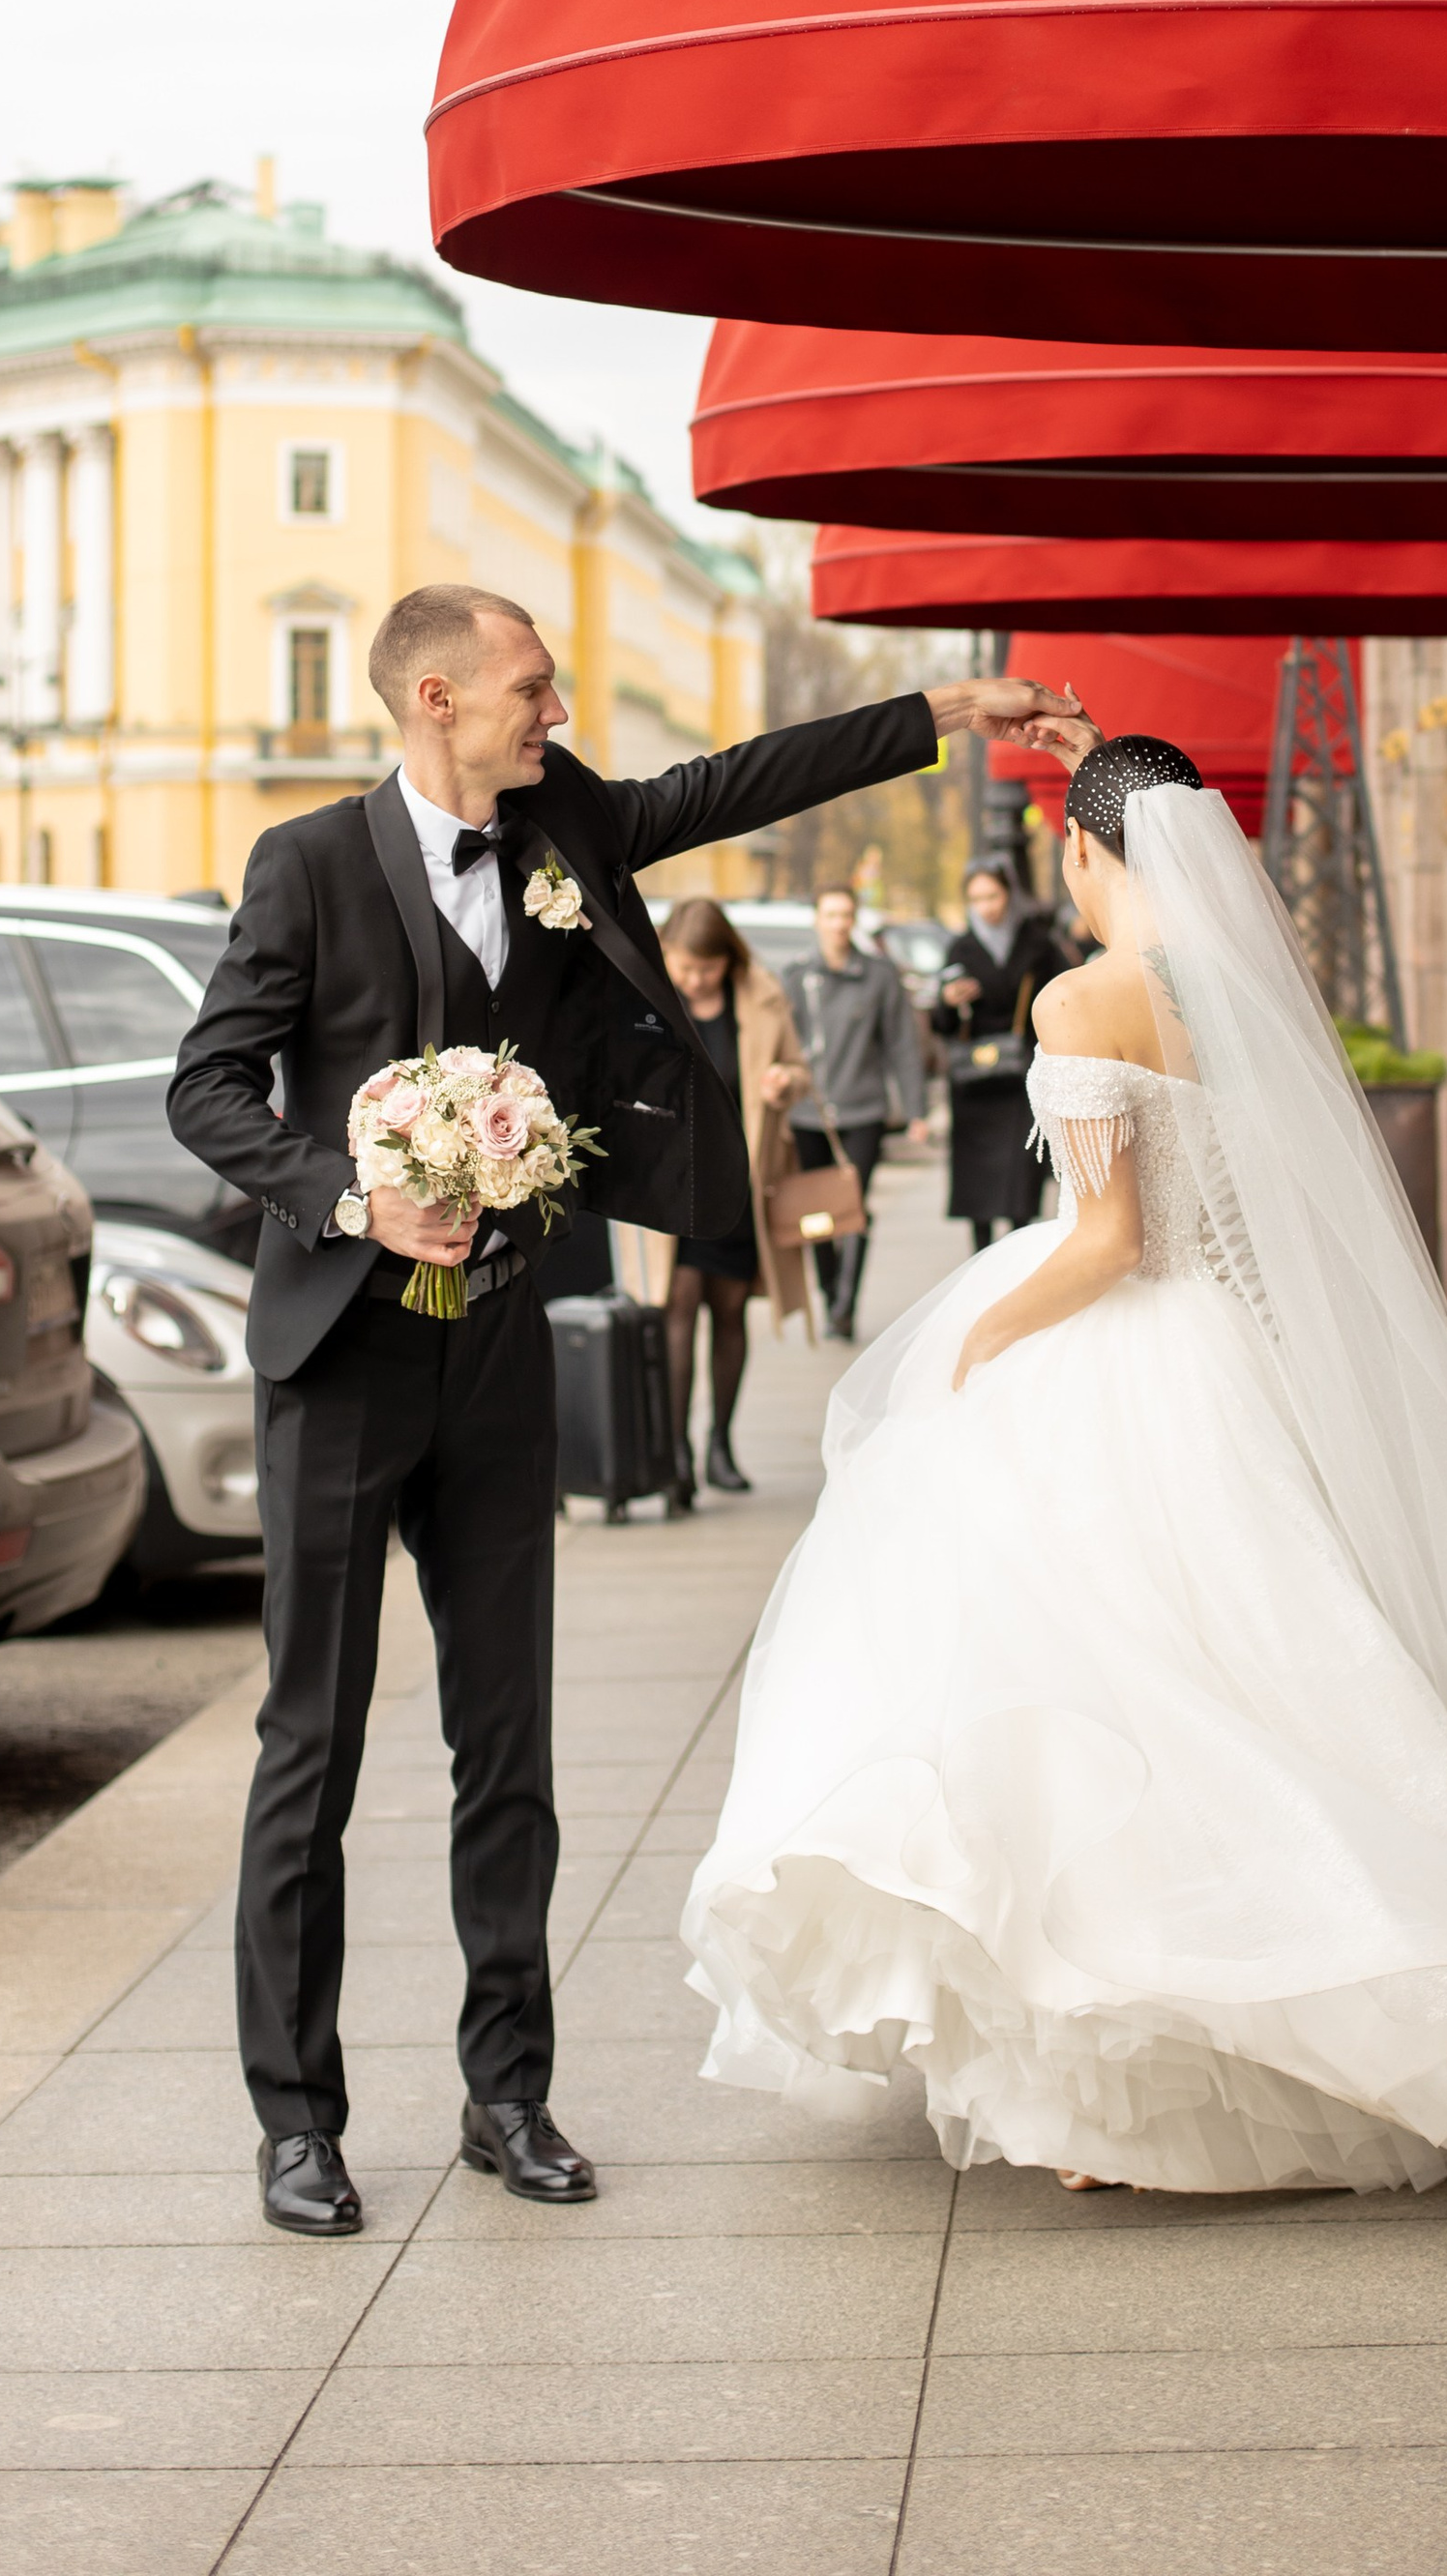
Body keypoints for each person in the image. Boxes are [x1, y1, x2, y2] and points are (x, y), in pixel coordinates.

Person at [685, 731, 1447, 2216]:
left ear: (1083, 852)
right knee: (1269, 1689)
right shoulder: (1243, 995)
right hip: (1236, 1358)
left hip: (1125, 1356)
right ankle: (1298, 2032)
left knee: (1112, 1712)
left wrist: (975, 1342)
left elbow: (1107, 1242)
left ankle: (1141, 2078)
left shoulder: (1081, 993)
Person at [164, 580, 1081, 2241]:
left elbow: (733, 782)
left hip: (503, 1351)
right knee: (312, 1745)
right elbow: (209, 1088)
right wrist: (353, 1195)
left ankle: (509, 2091)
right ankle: (297, 2121)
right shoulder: (304, 866)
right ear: (434, 698)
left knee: (507, 1741)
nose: (560, 710)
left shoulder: (565, 828)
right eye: (532, 688)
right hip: (346, 1363)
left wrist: (947, 713)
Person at [656, 897, 810, 1498]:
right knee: (677, 1306)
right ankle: (674, 1454)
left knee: (727, 1309)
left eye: (706, 969)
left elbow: (799, 1070)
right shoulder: (649, 999)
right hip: (670, 1186)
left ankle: (720, 1441)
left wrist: (784, 1082)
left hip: (739, 1182)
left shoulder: (760, 999)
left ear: (728, 960)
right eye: (684, 967)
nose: (694, 980)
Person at [785, 882, 927, 1337]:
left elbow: (902, 1045)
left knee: (853, 1206)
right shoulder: (796, 975)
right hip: (808, 1114)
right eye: (830, 915)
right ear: (817, 920)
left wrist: (917, 1109)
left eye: (846, 915)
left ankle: (846, 1304)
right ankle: (829, 1291)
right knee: (818, 1211)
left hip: (863, 1110)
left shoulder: (879, 975)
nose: (839, 924)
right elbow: (780, 1045)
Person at [936, 856, 1066, 1252]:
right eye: (976, 899)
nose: (986, 906)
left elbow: (1061, 999)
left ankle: (1018, 1256)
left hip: (1022, 1078)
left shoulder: (1037, 945)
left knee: (1020, 1179)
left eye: (992, 895)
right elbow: (941, 1024)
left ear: (1009, 894)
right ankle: (980, 1259)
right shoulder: (960, 947)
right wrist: (948, 999)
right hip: (975, 1084)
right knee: (978, 1184)